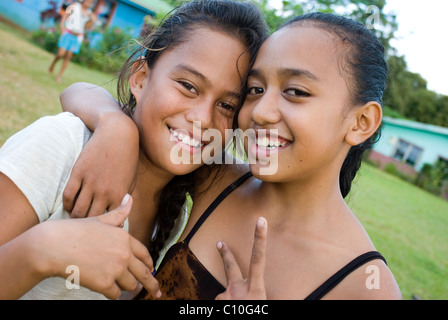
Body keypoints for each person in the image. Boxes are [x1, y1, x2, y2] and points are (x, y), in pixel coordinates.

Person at [61, 12, 402, 300]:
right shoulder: (219, 178)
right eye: (255, 90)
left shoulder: (366, 284)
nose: (261, 112)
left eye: (295, 92)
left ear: (361, 122)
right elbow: (77, 91)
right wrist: (115, 125)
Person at [0, 0, 267, 300]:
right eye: (188, 86)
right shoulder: (63, 145)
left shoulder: (173, 211)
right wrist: (43, 251)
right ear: (140, 78)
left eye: (227, 105)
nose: (203, 118)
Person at [48, 0, 96, 82]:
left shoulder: (89, 13)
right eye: (88, 1)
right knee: (60, 54)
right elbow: (66, 13)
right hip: (68, 34)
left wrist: (92, 21)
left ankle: (59, 75)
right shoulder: (75, 5)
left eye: (91, 2)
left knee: (68, 56)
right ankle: (53, 64)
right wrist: (62, 24)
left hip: (77, 38)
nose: (89, 3)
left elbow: (85, 27)